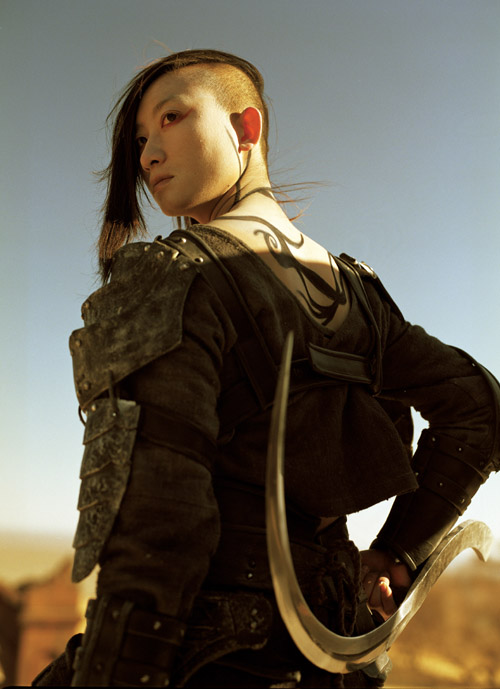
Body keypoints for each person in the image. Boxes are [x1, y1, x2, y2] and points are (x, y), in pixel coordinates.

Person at [32, 49, 499, 688]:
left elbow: (157, 529)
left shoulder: (174, 273)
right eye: (140, 140)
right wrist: (398, 551)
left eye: (171, 117)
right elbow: (480, 410)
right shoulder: (357, 294)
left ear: (245, 128)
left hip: (205, 659)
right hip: (334, 655)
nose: (147, 155)